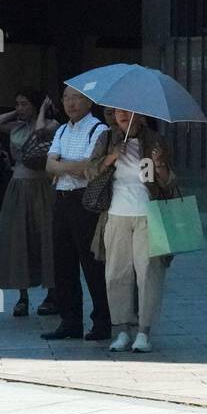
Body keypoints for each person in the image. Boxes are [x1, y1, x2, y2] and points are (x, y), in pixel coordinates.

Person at [82, 108, 174, 353]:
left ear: (141, 114)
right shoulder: (107, 138)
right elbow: (90, 171)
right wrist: (111, 157)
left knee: (148, 273)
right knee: (116, 273)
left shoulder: (155, 140)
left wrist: (160, 165)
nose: (123, 115)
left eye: (129, 111)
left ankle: (144, 331)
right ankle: (122, 330)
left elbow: (169, 182)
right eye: (118, 111)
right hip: (115, 214)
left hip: (148, 214)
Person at [41, 85, 111, 341]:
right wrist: (67, 167)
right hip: (61, 199)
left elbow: (88, 168)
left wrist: (62, 166)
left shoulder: (99, 129)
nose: (71, 103)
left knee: (92, 264)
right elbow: (48, 166)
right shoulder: (60, 129)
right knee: (63, 263)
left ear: (89, 103)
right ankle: (70, 321)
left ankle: (102, 321)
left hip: (85, 202)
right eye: (67, 98)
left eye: (77, 98)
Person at [0, 88, 60, 316]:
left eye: (24, 103)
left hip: (42, 186)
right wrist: (17, 112)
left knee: (46, 239)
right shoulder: (16, 126)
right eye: (17, 103)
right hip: (18, 186)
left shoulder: (52, 124)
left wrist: (39, 112)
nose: (20, 107)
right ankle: (22, 296)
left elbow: (39, 133)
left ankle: (52, 293)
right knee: (19, 239)